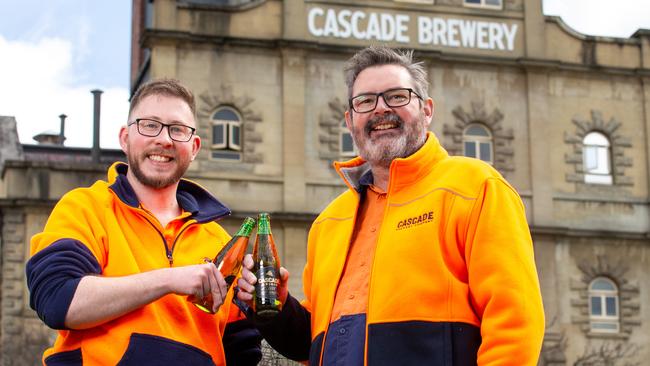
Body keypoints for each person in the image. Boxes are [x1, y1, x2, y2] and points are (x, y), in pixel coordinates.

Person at [236, 46, 545, 365]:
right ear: (350, 120)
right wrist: (277, 306)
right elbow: (313, 344)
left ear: (426, 110)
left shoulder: (476, 187)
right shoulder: (329, 222)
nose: (380, 109)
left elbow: (514, 324)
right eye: (366, 101)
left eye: (397, 96)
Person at [26, 78, 261, 366]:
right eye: (150, 125)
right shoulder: (85, 207)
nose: (164, 139)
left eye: (178, 129)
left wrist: (260, 303)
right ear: (125, 138)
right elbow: (57, 300)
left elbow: (242, 349)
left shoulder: (220, 241)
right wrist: (169, 279)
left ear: (195, 146)